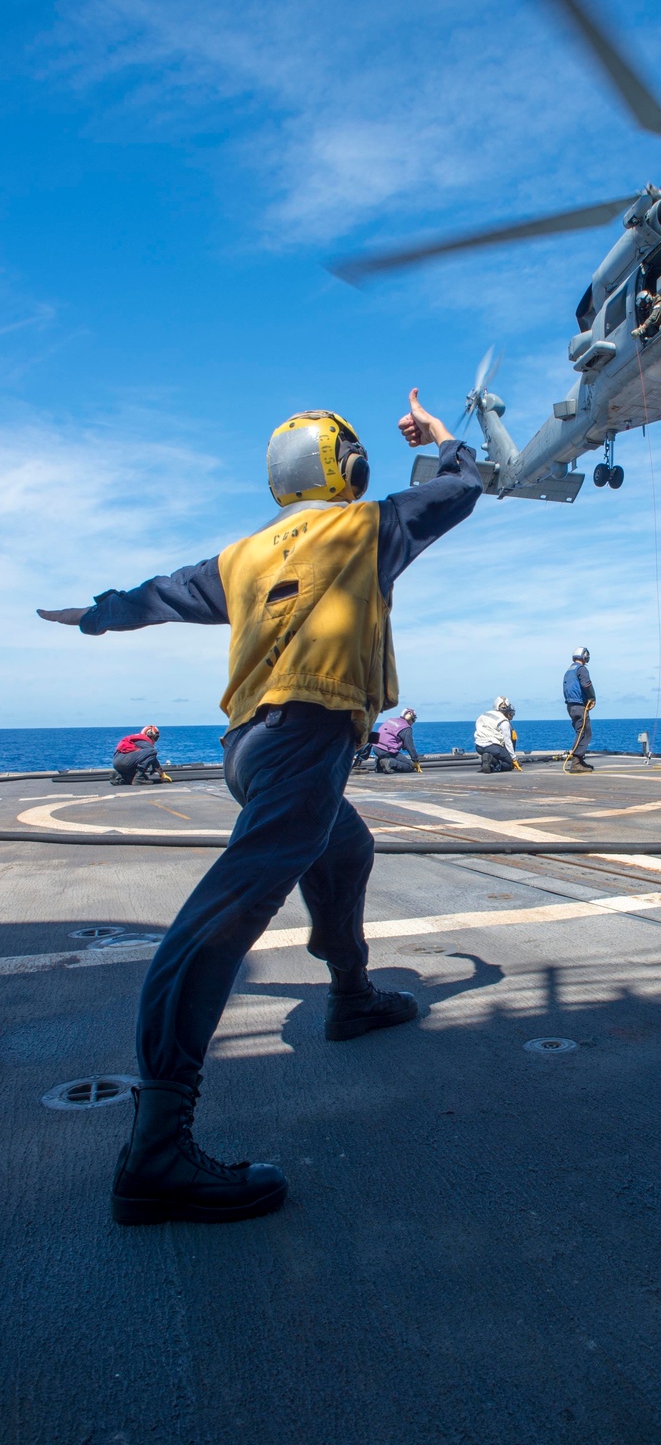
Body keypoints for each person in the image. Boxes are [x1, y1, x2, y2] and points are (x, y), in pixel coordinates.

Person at [37, 390, 482, 1225]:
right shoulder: (364, 528)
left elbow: (159, 595)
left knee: (344, 850)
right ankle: (157, 1149)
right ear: (348, 469)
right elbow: (460, 485)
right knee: (216, 922)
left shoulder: (243, 556)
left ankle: (350, 995)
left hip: (250, 749)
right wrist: (442, 435)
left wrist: (96, 615)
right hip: (308, 738)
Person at [563, 647, 596, 773]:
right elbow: (586, 684)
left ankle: (579, 760)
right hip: (579, 705)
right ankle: (576, 762)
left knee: (580, 731)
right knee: (584, 732)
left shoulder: (569, 670)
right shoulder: (581, 669)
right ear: (585, 656)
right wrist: (592, 697)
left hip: (571, 706)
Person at [474, 696, 517, 773]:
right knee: (509, 764)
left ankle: (488, 759)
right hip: (493, 747)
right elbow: (507, 741)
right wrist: (514, 759)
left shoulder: (484, 714)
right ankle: (494, 762)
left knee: (495, 754)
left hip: (479, 746)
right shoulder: (504, 722)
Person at [371, 707, 420, 772]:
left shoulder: (390, 720)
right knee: (409, 766)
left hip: (376, 748)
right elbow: (410, 746)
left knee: (386, 752)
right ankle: (390, 763)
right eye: (413, 719)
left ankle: (379, 766)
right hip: (387, 751)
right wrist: (415, 760)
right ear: (410, 718)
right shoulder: (406, 728)